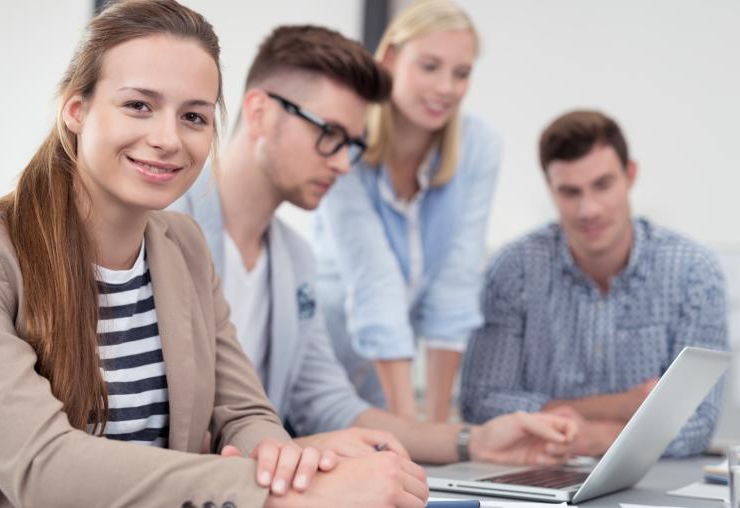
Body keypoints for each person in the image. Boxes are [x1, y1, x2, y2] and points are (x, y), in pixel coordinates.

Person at [0, 2, 430, 507]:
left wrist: (285, 464)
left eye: (193, 116)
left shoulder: (183, 245)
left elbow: (244, 413)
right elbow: (43, 469)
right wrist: (280, 496)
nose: (169, 138)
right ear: (76, 110)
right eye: (139, 105)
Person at [172, 24, 576, 467]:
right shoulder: (161, 228)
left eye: (352, 144)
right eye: (329, 134)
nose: (344, 163)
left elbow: (333, 405)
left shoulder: (294, 262)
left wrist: (473, 441)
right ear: (260, 112)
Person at [459, 110, 728, 458]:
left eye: (602, 185)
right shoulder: (514, 270)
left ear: (630, 175)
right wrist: (623, 406)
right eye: (570, 192)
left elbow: (698, 421)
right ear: (550, 190)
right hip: (536, 470)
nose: (589, 210)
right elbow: (480, 403)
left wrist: (593, 438)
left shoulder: (693, 272)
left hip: (652, 480)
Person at [313, 0, 501, 422]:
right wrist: (411, 435)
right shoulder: (349, 142)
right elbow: (373, 282)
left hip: (389, 378)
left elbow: (456, 283)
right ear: (392, 58)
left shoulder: (478, 148)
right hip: (323, 366)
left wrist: (434, 430)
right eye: (430, 66)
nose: (446, 88)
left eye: (461, 73)